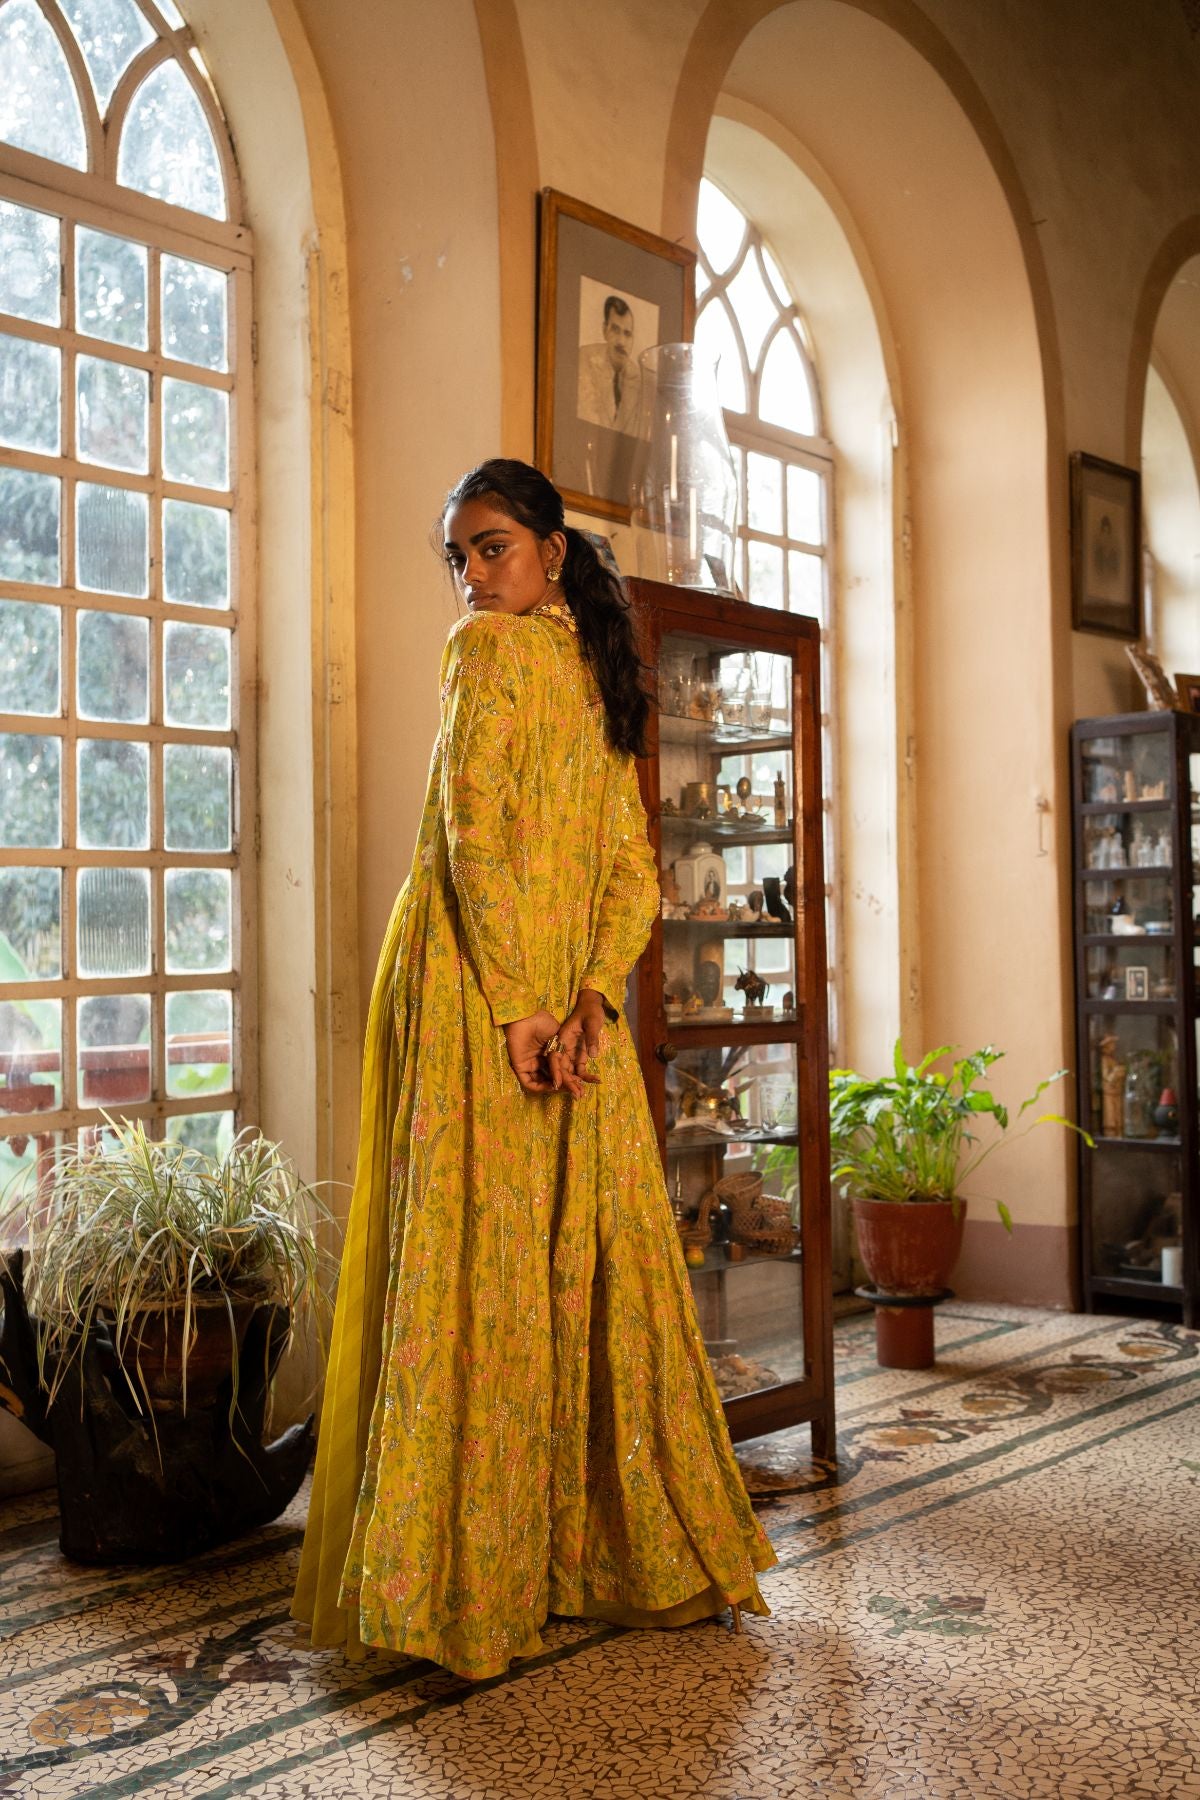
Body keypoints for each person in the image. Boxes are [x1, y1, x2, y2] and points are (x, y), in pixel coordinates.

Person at [292, 459, 775, 1681]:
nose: (470, 576)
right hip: (487, 993)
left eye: (491, 546)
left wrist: (582, 999)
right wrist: (555, 1000)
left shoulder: (553, 665)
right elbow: (480, 844)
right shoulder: (528, 658)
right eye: (457, 556)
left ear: (553, 551)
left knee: (516, 1263)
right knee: (527, 1262)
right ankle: (534, 1565)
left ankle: (492, 1572)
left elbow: (620, 862)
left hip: (523, 998)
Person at [576, 294, 644, 434]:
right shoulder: (582, 360)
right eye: (615, 330)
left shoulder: (640, 380)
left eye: (627, 334)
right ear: (604, 331)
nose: (621, 341)